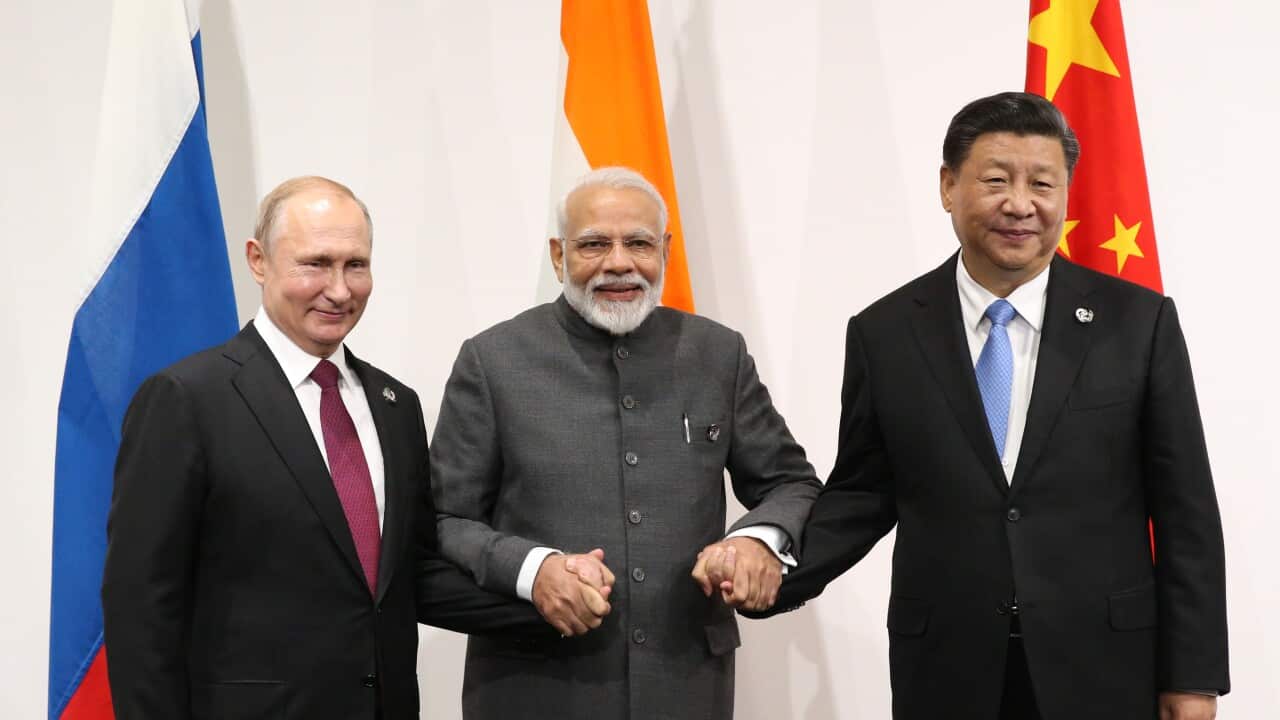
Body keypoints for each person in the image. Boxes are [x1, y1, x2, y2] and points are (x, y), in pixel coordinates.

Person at [756, 92, 1229, 719]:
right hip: (949, 670)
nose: (1020, 204)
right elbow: (864, 492)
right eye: (996, 180)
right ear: (949, 186)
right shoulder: (885, 331)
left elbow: (1185, 510)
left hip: (1103, 667)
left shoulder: (1138, 323)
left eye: (1042, 184)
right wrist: (769, 565)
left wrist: (1192, 678)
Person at [101, 176, 593, 720]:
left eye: (355, 265)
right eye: (315, 263)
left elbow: (408, 577)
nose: (339, 289)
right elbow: (142, 605)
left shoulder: (393, 405)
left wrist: (549, 589)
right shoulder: (186, 400)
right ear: (258, 260)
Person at [430, 166, 822, 719]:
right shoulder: (493, 361)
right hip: (534, 689)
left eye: (638, 243)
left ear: (663, 249)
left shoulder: (717, 354)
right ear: (558, 255)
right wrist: (532, 568)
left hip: (686, 687)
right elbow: (445, 520)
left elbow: (790, 482)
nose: (619, 262)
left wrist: (760, 538)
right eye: (594, 244)